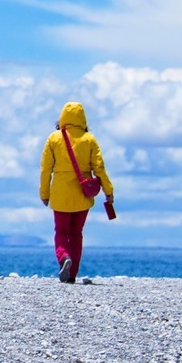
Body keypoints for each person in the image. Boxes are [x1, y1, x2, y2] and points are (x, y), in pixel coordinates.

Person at [39, 102, 115, 284]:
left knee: (61, 231)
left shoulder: (54, 138)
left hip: (60, 193)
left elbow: (45, 169)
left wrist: (45, 193)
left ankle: (64, 257)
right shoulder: (89, 139)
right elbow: (99, 168)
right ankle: (72, 274)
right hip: (82, 194)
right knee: (76, 233)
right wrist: (108, 190)